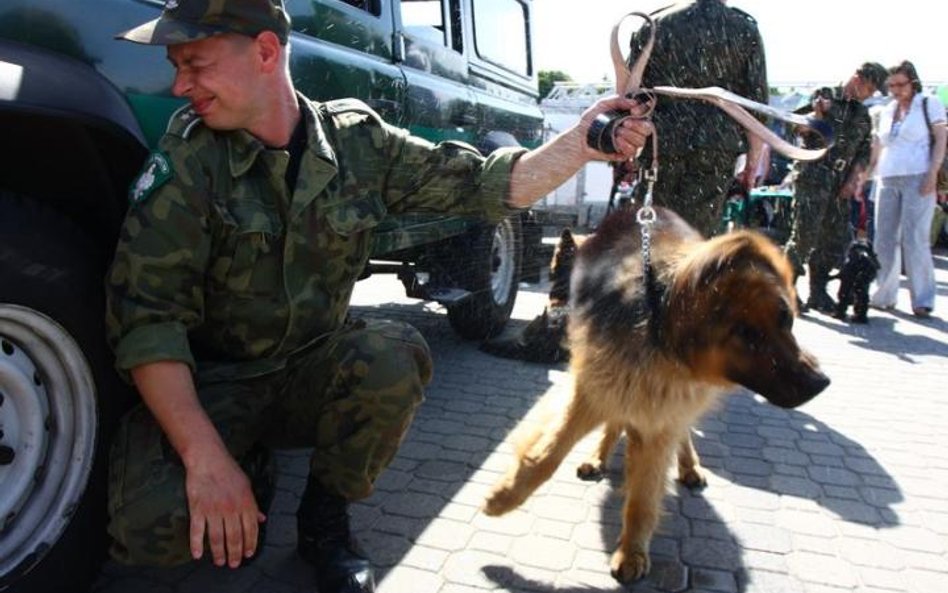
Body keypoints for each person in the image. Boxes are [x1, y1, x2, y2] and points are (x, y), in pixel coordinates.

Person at [103, 1, 652, 593]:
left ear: (264, 52)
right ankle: (243, 463)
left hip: (309, 370)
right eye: (175, 66)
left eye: (195, 63)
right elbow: (147, 321)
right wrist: (205, 460)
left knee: (392, 353)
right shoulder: (187, 162)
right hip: (217, 383)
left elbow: (487, 184)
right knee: (150, 531)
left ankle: (324, 523)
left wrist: (583, 141)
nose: (180, 84)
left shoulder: (357, 142)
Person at [626, 0, 769, 237]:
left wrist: (628, 151)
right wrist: (753, 161)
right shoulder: (745, 29)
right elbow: (755, 106)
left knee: (650, 230)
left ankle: (651, 271)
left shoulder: (656, 25)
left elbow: (632, 95)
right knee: (697, 237)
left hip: (661, 144)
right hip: (715, 147)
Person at [783, 63, 887, 313]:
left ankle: (818, 291)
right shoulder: (824, 95)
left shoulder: (862, 114)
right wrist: (817, 117)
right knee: (804, 235)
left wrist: (854, 180)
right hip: (814, 176)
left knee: (833, 239)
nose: (870, 94)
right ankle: (786, 289)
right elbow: (794, 127)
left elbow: (863, 151)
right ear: (857, 78)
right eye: (869, 88)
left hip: (840, 182)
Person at [868, 60, 946, 318]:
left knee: (915, 238)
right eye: (891, 86)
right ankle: (884, 294)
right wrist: (867, 175)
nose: (895, 90)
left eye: (900, 85)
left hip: (918, 175)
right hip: (888, 177)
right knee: (884, 238)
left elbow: (941, 140)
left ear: (912, 82)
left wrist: (933, 174)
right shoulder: (887, 109)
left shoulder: (928, 103)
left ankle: (922, 299)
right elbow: (878, 145)